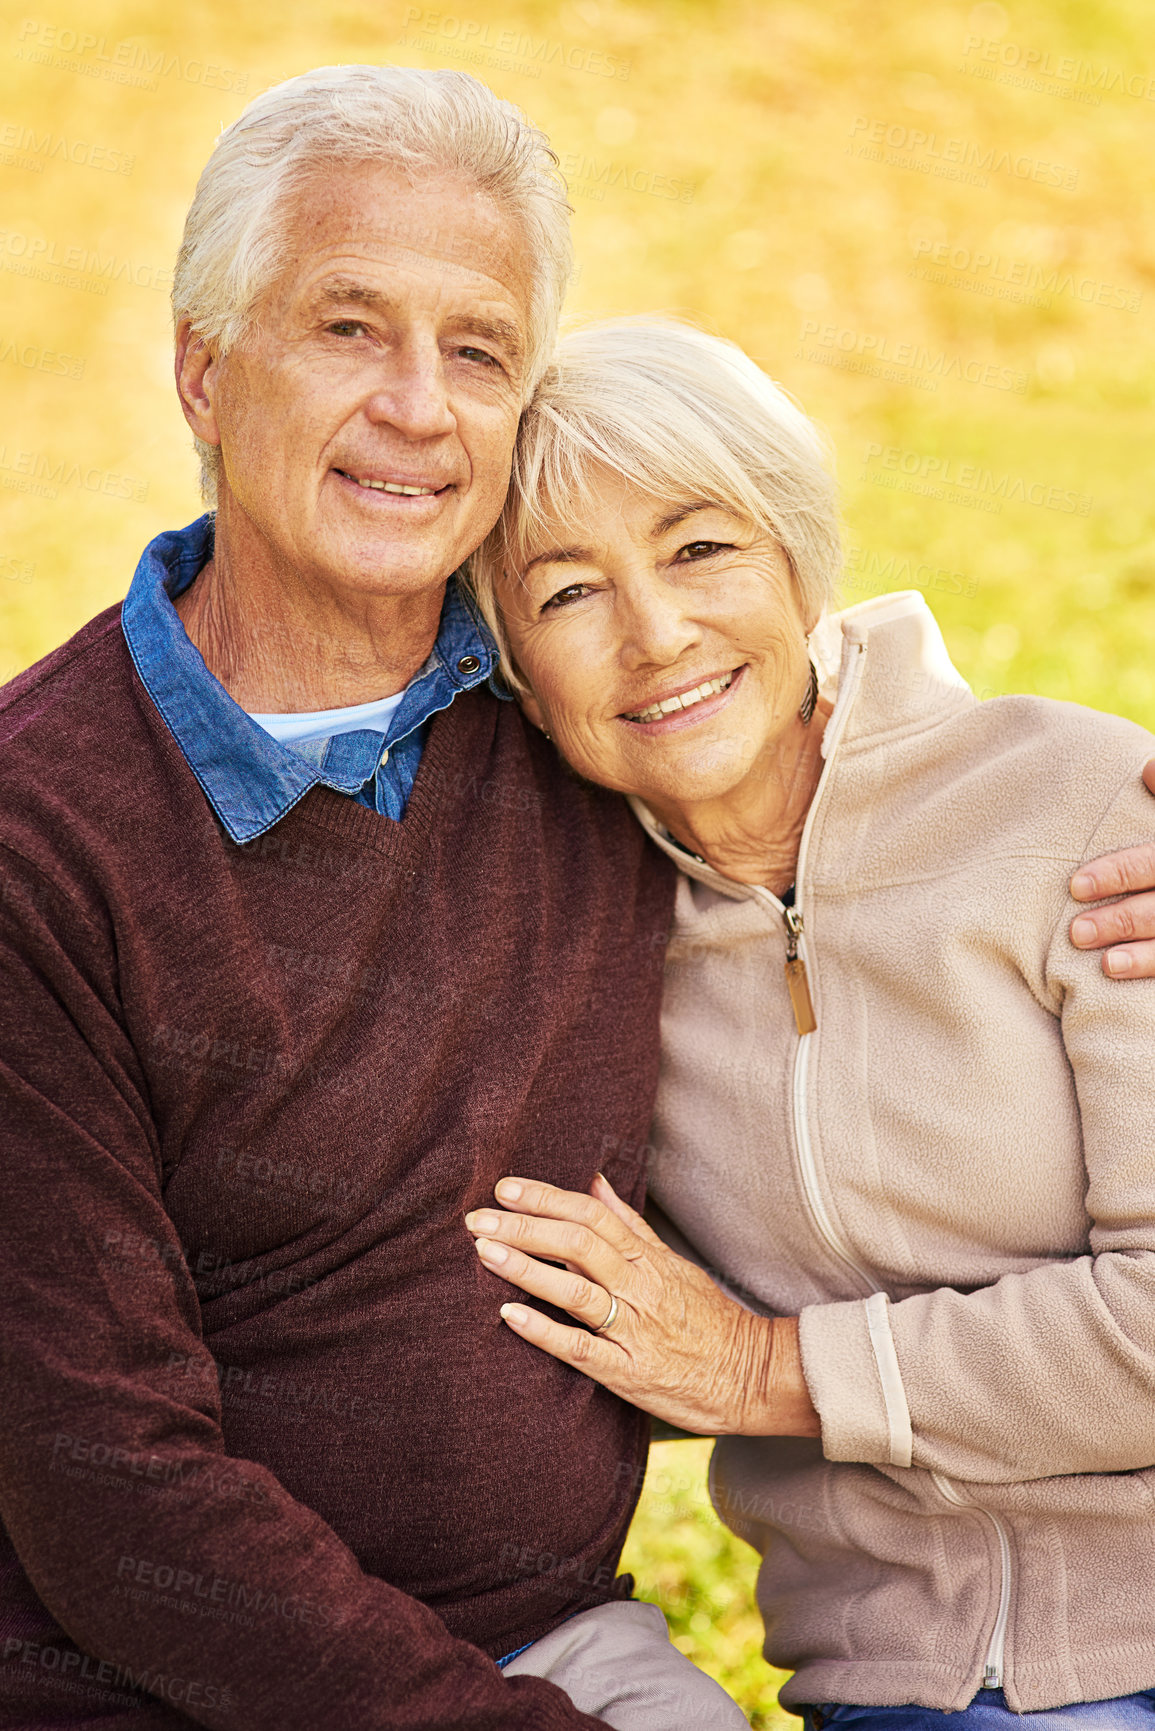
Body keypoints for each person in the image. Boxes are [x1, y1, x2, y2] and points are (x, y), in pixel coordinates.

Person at [0, 73, 746, 1731]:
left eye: (477, 351)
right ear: (204, 369)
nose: (420, 408)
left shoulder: (592, 704)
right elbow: (101, 1483)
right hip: (138, 1686)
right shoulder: (37, 841)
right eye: (349, 329)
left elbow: (843, 751)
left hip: (564, 1640)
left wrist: (1071, 819)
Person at [463, 316, 1155, 1727]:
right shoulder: (563, 946)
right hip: (920, 1675)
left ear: (796, 559)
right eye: (569, 593)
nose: (657, 636)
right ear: (515, 680)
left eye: (700, 547)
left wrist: (766, 1371)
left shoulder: (1088, 816)